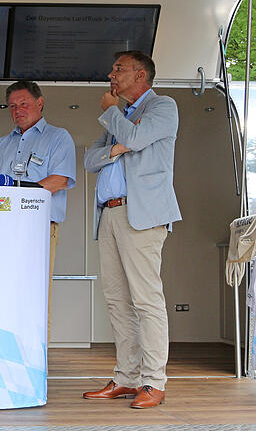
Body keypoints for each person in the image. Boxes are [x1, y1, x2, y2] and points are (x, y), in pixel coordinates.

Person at [82, 51, 181, 409]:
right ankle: (127, 377)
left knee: (146, 300)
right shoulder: (119, 120)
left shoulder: (162, 107)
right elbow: (89, 160)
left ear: (140, 75)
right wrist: (118, 145)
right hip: (108, 215)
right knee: (116, 301)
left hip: (141, 215)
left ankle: (154, 382)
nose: (111, 74)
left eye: (118, 70)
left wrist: (114, 118)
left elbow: (136, 141)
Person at [0, 80, 76, 337]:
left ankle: (34, 367)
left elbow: (59, 180)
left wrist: (15, 201)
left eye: (24, 104)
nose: (17, 110)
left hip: (37, 229)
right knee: (2, 295)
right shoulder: (1, 144)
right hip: (1, 231)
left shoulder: (58, 137)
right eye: (12, 106)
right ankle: (5, 361)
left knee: (34, 297)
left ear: (40, 103)